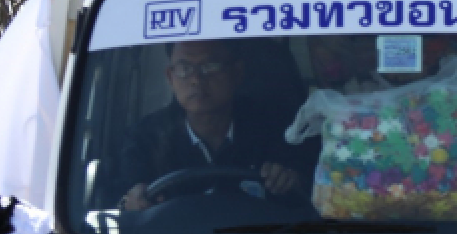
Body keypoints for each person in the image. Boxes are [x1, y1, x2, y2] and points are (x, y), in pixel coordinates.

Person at [105, 40, 310, 211]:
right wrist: (131, 201)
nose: (196, 79)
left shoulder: (280, 129)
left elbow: (308, 198)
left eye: (210, 66)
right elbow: (121, 202)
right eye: (184, 69)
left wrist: (291, 181)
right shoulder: (144, 139)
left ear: (237, 72)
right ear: (170, 77)